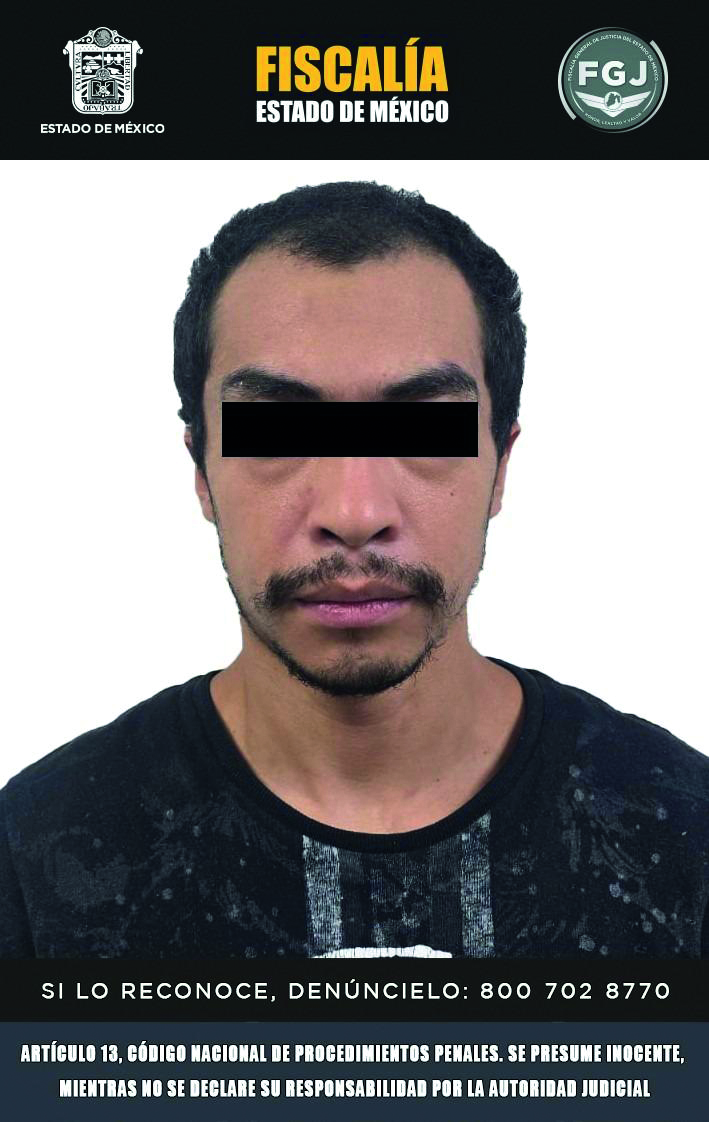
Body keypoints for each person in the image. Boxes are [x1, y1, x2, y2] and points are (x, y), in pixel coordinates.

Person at [2, 181, 707, 959]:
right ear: (201, 471)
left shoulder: (682, 835)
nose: (354, 509)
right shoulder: (36, 853)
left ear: (500, 466)